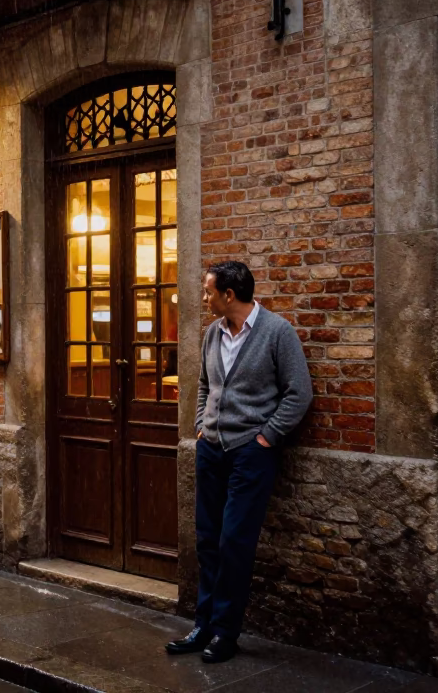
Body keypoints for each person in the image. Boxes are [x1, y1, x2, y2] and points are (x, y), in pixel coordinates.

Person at [165, 261, 313, 663]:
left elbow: (299, 393)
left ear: (229, 295)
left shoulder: (277, 332)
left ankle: (226, 633)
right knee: (208, 541)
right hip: (211, 449)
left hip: (251, 453)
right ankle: (203, 625)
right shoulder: (212, 333)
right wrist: (201, 425)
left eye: (209, 290)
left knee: (234, 543)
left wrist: (266, 437)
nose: (204, 297)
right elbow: (204, 386)